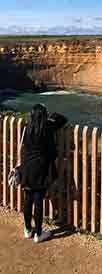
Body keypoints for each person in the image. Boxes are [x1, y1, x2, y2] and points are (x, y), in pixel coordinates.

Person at [19, 104, 66, 243]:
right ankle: (38, 234)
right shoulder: (47, 127)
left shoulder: (27, 128)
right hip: (41, 169)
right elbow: (63, 119)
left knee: (28, 199)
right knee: (38, 201)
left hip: (27, 167)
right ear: (44, 115)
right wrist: (51, 118)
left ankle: (28, 230)